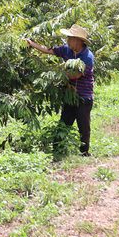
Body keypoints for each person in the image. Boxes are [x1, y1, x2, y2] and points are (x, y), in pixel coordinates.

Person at [24, 24, 94, 156]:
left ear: (77, 41)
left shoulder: (87, 57)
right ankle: (57, 149)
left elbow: (75, 75)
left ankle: (84, 152)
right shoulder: (67, 50)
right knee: (64, 121)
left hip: (84, 96)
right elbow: (49, 50)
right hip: (70, 95)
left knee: (83, 125)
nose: (67, 41)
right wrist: (32, 44)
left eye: (69, 38)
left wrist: (53, 75)